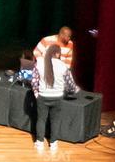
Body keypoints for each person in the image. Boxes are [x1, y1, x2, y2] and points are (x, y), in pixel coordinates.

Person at [29, 25, 79, 154]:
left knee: (41, 119)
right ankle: (53, 144)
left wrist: (36, 93)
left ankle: (40, 143)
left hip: (44, 94)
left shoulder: (68, 47)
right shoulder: (47, 41)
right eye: (66, 36)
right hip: (56, 95)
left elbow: (34, 81)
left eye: (70, 37)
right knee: (55, 120)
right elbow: (36, 53)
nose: (68, 39)